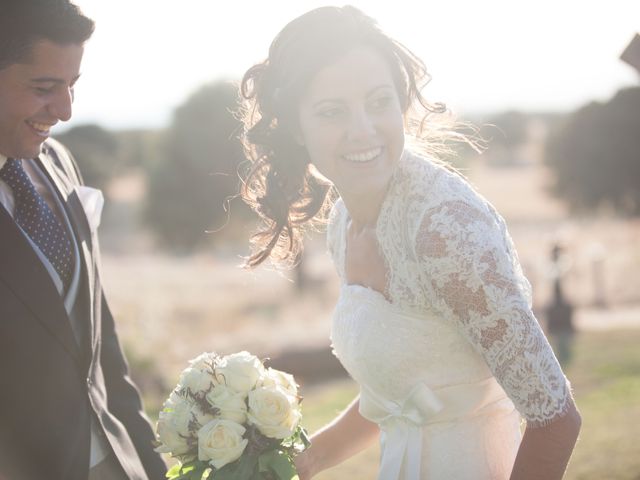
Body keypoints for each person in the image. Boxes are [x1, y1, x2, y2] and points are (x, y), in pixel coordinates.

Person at [239, 6, 581, 479]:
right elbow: (402, 394)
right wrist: (296, 463)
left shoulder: (443, 229)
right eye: (332, 111)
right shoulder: (344, 222)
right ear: (297, 128)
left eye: (378, 102)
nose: (363, 129)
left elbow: (555, 418)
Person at [0, 1, 167, 479]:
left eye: (72, 86)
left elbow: (99, 342)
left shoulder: (57, 161)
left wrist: (148, 465)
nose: (65, 111)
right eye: (44, 88)